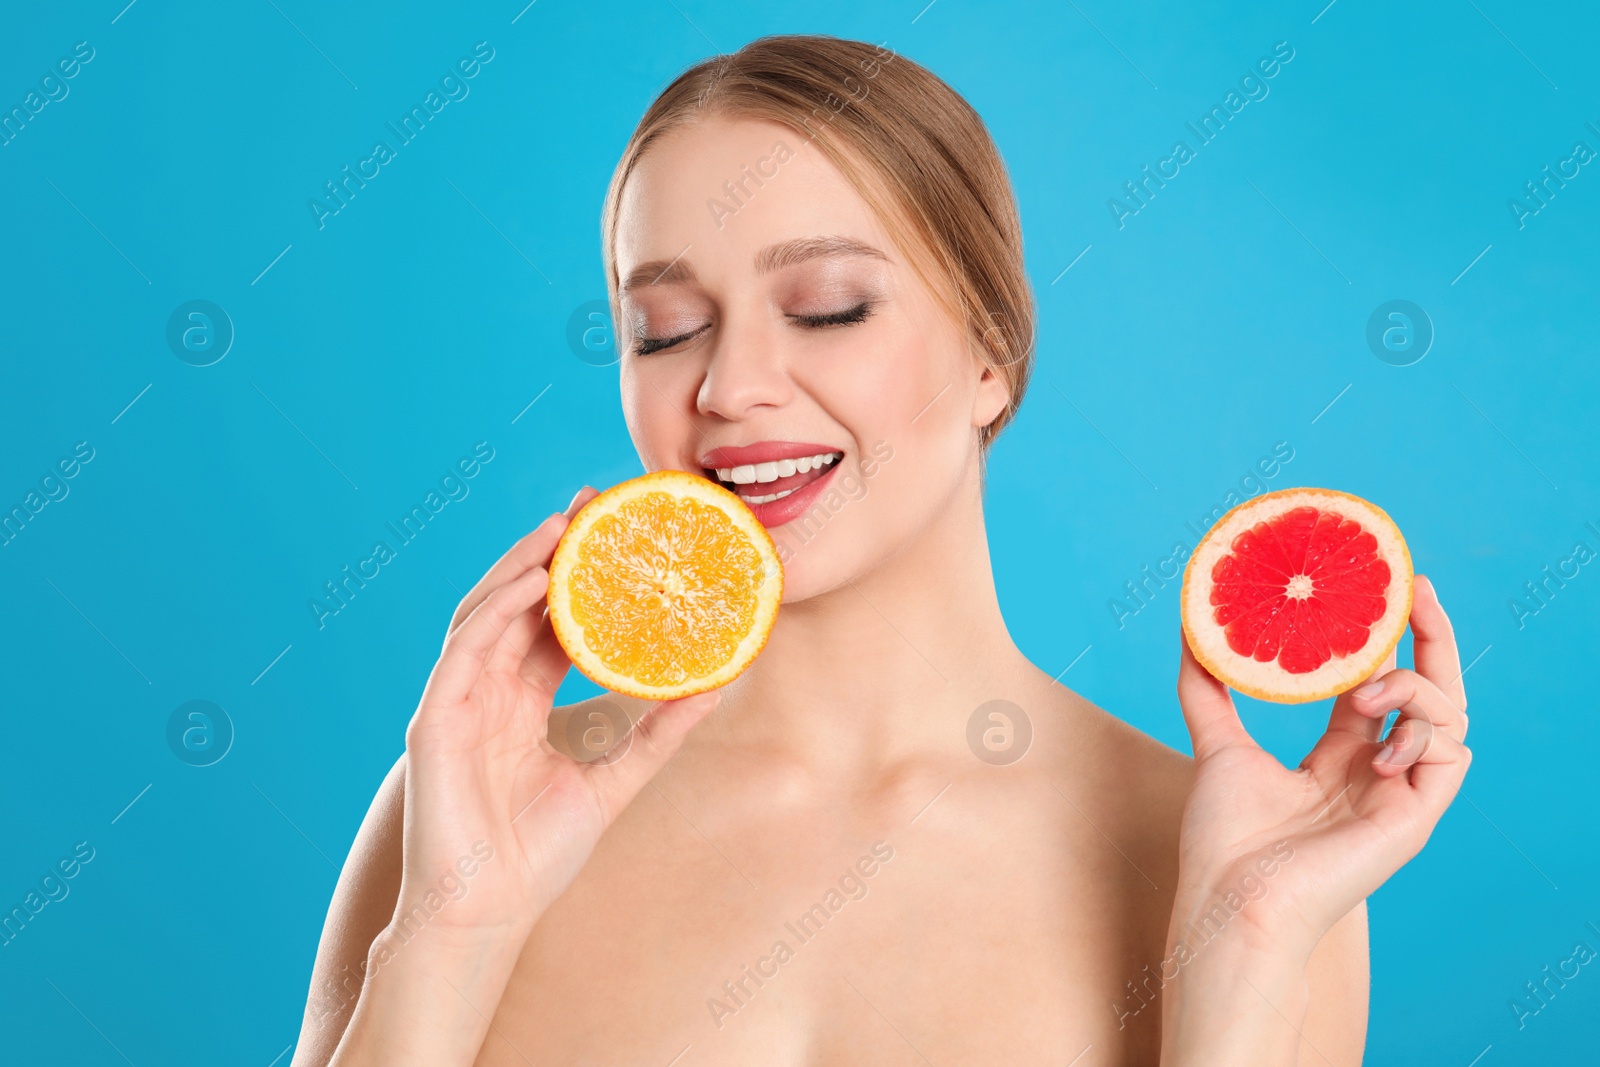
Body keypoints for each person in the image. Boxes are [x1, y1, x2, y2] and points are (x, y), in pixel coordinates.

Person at [291, 34, 1471, 1065]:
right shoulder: (470, 812)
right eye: (665, 330)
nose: (730, 385)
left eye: (828, 308)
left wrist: (1248, 946)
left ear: (991, 354)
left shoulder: (1238, 858)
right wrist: (451, 929)